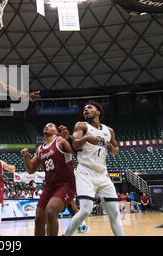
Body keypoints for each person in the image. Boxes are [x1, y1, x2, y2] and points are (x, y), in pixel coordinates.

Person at [62, 101, 124, 236]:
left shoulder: (109, 131)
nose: (86, 110)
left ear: (98, 112)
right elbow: (75, 145)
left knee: (114, 212)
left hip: (103, 174)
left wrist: (113, 149)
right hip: (85, 171)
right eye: (84, 109)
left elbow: (115, 149)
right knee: (85, 210)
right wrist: (87, 138)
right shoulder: (81, 125)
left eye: (89, 108)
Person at [21, 123, 75, 236]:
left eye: (50, 126)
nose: (46, 127)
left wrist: (68, 139)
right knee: (39, 217)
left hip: (66, 184)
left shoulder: (60, 140)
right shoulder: (40, 149)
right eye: (45, 126)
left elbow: (74, 152)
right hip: (50, 186)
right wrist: (26, 157)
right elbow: (31, 169)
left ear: (56, 131)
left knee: (50, 211)